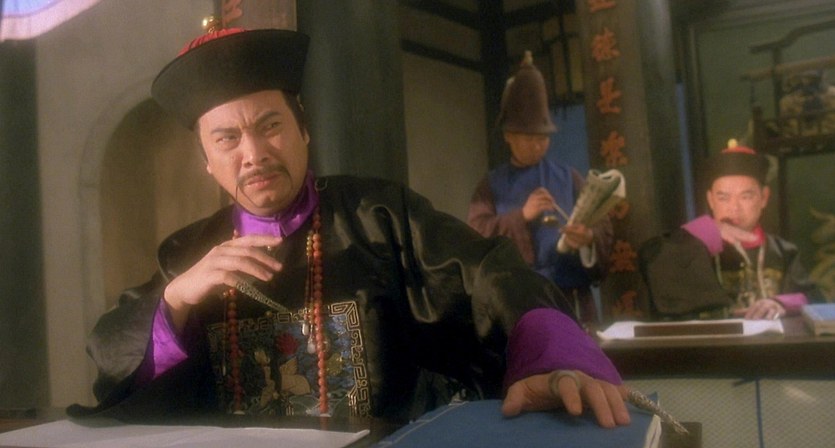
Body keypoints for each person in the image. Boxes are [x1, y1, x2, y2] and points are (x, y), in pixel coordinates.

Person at [67, 28, 631, 428]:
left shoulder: (379, 216)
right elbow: (112, 356)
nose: (254, 153)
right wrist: (175, 302)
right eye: (227, 139)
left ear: (304, 130)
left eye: (271, 126)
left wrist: (557, 351)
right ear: (207, 162)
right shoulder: (186, 255)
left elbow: (489, 270)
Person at [467, 51, 613, 326]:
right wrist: (521, 216)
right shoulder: (491, 184)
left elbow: (601, 224)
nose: (537, 146)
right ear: (509, 136)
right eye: (529, 138)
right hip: (516, 303)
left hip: (571, 299)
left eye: (543, 138)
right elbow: (476, 233)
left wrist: (587, 238)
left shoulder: (568, 177)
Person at [640, 140, 819, 320]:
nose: (734, 208)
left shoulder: (784, 252)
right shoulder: (689, 247)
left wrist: (780, 303)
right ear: (711, 200)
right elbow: (653, 263)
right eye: (723, 198)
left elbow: (812, 298)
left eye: (745, 197)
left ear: (764, 198)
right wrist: (708, 231)